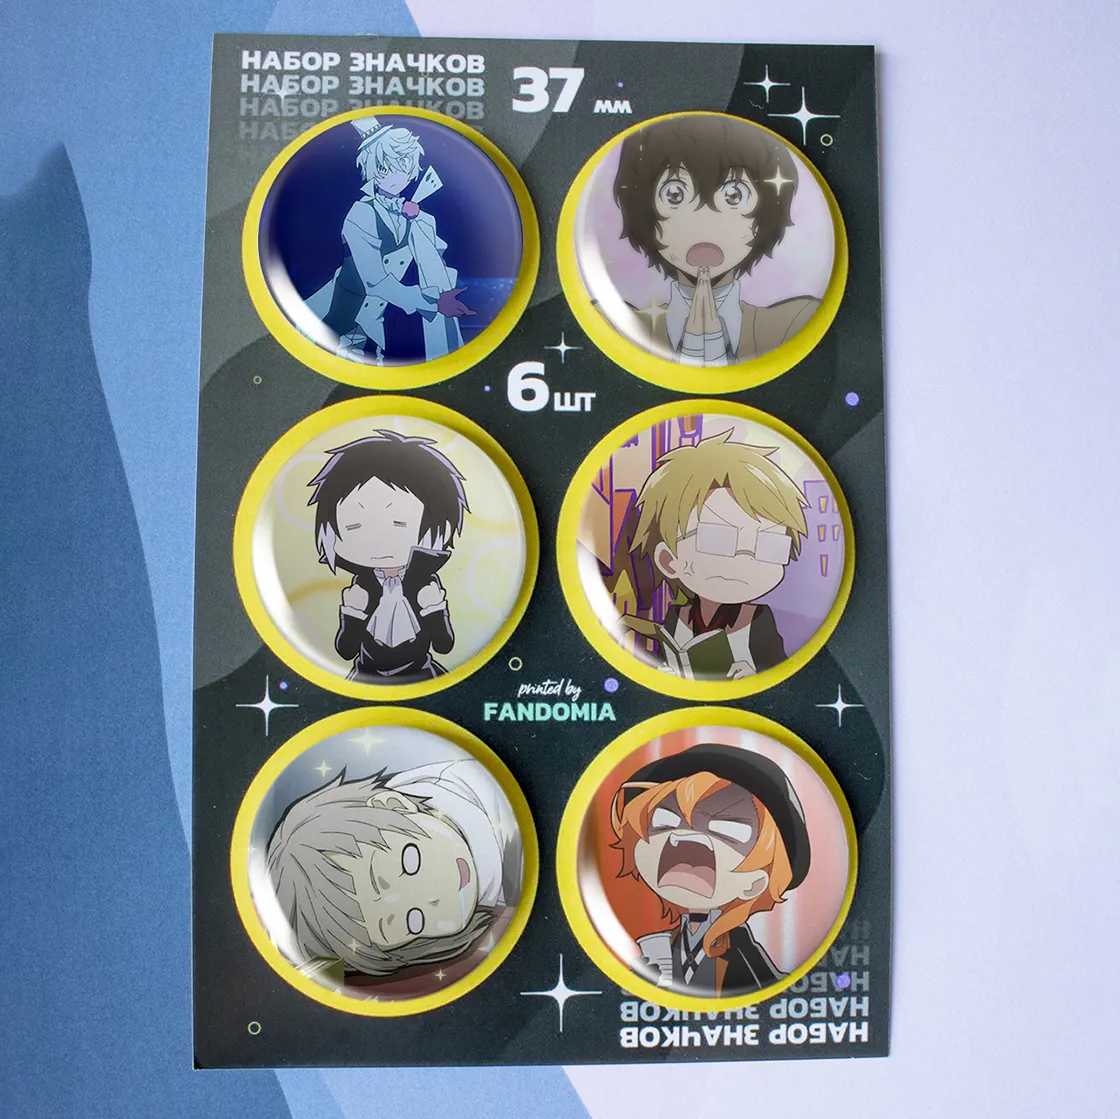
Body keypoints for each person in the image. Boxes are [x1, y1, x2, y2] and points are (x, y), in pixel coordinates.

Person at [265, 759, 521, 981]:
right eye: (414, 920)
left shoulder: (487, 796)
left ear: (394, 804)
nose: (436, 896)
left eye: (411, 862)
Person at [612, 114, 818, 366]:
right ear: (644, 210)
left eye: (734, 196)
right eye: (675, 195)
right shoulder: (615, 322)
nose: (704, 223)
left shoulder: (791, 322)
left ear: (764, 213)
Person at [611, 743, 810, 996]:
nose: (683, 839)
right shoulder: (660, 949)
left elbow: (767, 990)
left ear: (755, 883)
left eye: (727, 831)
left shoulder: (746, 959)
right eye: (664, 821)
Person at [626, 431, 808, 680]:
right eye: (719, 539)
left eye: (771, 544)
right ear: (669, 560)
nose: (745, 557)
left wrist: (754, 674)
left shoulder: (758, 621)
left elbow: (781, 669)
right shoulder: (676, 617)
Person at [306, 116, 474, 363]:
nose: (397, 177)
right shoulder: (361, 215)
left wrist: (418, 220)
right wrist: (435, 303)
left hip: (382, 318)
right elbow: (375, 281)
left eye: (404, 167)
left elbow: (434, 259)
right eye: (385, 168)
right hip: (342, 317)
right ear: (372, 170)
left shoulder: (415, 215)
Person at [307, 429, 469, 682]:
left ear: (441, 529)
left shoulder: (424, 583)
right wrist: (352, 614)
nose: (378, 539)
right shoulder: (362, 586)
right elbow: (345, 650)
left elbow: (444, 645)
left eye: (399, 523)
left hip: (424, 675)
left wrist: (435, 609)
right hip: (365, 677)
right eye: (354, 526)